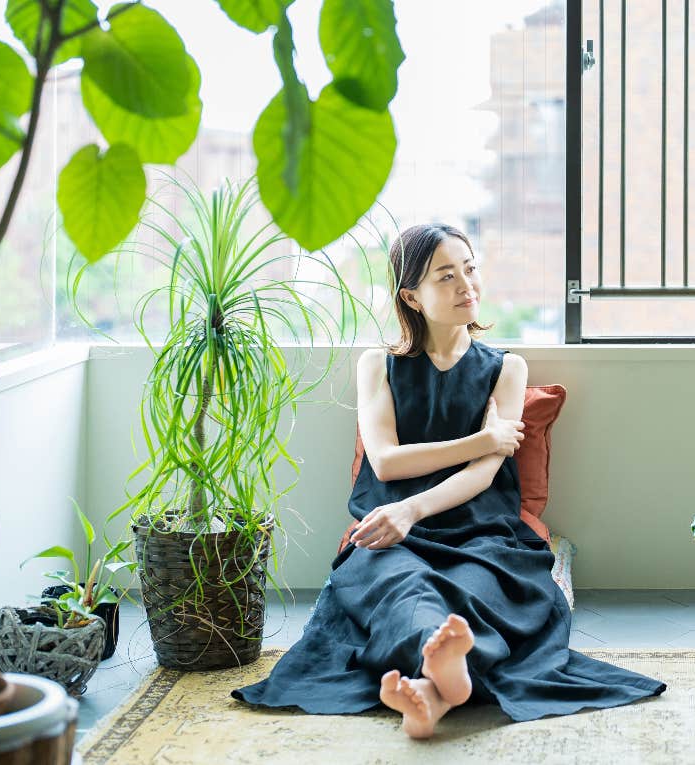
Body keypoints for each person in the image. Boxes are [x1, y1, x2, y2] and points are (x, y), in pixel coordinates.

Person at [232, 223, 667, 738]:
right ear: (411, 296)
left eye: (470, 268)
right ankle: (441, 680)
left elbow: (484, 479)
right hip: (391, 533)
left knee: (474, 591)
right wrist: (482, 440)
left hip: (483, 532)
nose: (468, 285)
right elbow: (388, 462)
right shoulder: (378, 365)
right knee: (408, 588)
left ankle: (435, 694)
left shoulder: (506, 368)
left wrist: (414, 507)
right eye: (446, 276)